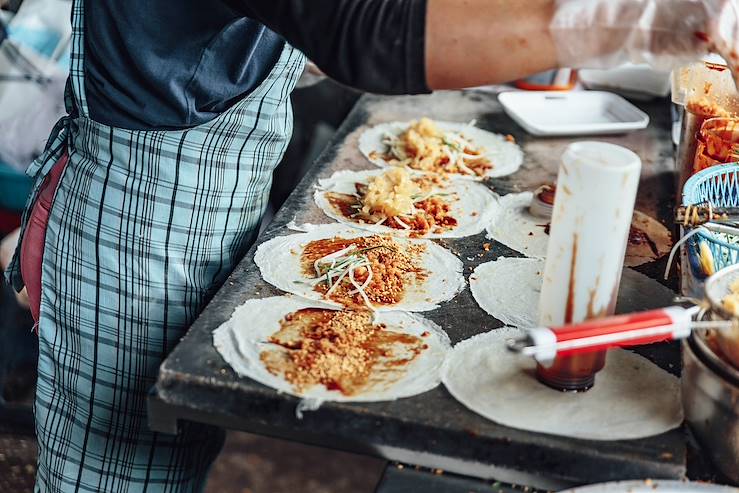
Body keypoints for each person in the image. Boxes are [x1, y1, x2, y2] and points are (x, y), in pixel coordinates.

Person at [4, 0, 738, 491]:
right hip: (133, 225)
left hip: (202, 209)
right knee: (115, 469)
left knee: (172, 455)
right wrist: (628, 19)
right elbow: (370, 35)